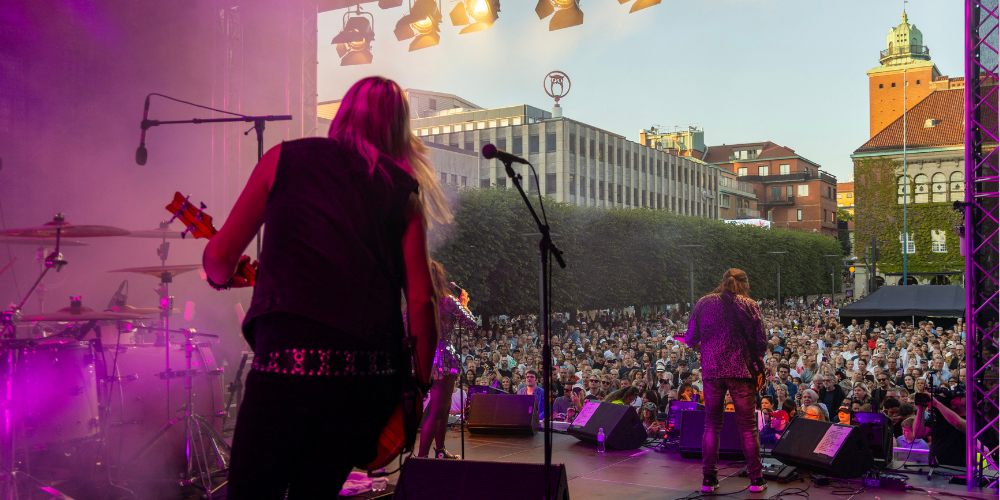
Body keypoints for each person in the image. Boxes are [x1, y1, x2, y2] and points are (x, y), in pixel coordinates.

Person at [205, 76, 448, 498]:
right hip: (363, 383)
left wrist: (217, 275)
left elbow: (221, 259)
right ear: (398, 129)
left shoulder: (285, 159)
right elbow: (423, 303)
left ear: (343, 114)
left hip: (286, 368)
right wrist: (418, 389)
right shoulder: (404, 191)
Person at [686, 269, 768, 493]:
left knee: (711, 425)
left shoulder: (704, 302)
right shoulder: (750, 305)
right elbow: (761, 343)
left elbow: (690, 336)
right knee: (748, 427)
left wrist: (707, 348)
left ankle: (709, 480)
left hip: (712, 370)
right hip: (741, 371)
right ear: (745, 283)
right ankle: (756, 480)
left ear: (722, 282)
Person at [417, 262, 476, 460]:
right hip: (442, 358)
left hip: (421, 358)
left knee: (441, 407)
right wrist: (464, 305)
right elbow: (471, 324)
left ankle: (440, 451)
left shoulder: (414, 302)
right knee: (437, 410)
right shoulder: (448, 300)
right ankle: (422, 458)